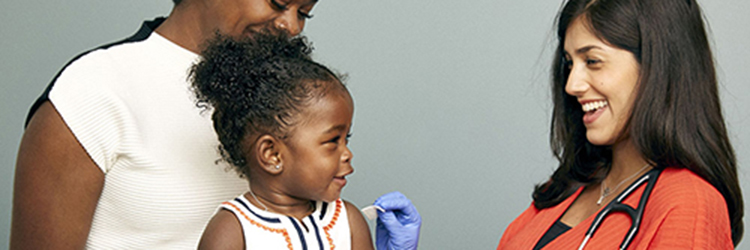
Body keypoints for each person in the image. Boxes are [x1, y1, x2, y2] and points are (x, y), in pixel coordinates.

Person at [11, 0, 420, 249]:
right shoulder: (94, 91)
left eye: (304, 13)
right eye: (278, 2)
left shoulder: (283, 96)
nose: (291, 26)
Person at [497, 0, 743, 249]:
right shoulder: (564, 188)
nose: (571, 85)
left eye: (592, 61)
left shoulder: (688, 205)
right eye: (570, 63)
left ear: (656, 66)